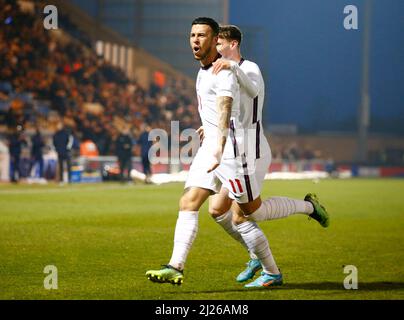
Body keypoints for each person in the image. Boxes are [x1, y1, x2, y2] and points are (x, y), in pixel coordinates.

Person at [146, 17, 281, 288]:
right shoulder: (202, 70)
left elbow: (225, 107)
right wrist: (207, 131)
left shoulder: (225, 71)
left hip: (231, 152)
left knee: (251, 213)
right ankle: (175, 266)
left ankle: (274, 266)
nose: (195, 40)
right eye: (192, 35)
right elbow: (212, 110)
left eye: (202, 35)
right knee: (189, 203)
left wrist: (218, 146)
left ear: (215, 40)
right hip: (212, 148)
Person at [201, 25, 330, 287]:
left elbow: (253, 92)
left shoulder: (249, 68)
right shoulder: (221, 70)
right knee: (217, 210)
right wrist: (210, 124)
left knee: (248, 215)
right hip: (230, 151)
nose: (215, 49)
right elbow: (227, 107)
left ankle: (275, 266)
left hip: (248, 152)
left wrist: (232, 67)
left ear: (233, 44)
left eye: (219, 44)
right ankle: (255, 255)